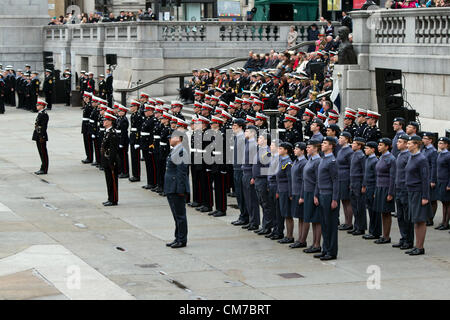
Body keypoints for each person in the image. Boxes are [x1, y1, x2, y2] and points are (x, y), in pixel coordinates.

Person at [405, 135, 432, 255]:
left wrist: (425, 196)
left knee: (420, 220)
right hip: (411, 191)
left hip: (418, 192)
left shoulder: (421, 159)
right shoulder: (411, 157)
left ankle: (420, 247)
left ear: (416, 144)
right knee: (415, 220)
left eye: (409, 143)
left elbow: (425, 179)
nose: (407, 145)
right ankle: (417, 245)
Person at [315, 137, 340, 261]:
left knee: (330, 224)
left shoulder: (332, 161)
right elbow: (318, 179)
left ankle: (331, 251)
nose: (322, 145)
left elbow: (335, 181)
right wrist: (316, 194)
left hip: (329, 195)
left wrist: (335, 199)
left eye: (325, 143)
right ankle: (325, 249)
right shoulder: (323, 159)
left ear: (331, 146)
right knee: (324, 224)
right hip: (321, 193)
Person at [165, 132, 190, 249]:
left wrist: (180, 189)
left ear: (179, 139)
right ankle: (177, 237)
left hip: (176, 188)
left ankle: (182, 239)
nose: (169, 139)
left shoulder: (181, 151)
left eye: (172, 137)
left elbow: (182, 173)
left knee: (180, 215)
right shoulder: (175, 149)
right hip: (171, 186)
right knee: (176, 215)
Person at [392, 134, 414, 250]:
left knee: (407, 216)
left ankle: (409, 240)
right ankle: (403, 237)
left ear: (406, 144)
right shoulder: (399, 155)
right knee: (400, 216)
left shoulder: (408, 156)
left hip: (405, 189)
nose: (397, 143)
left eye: (400, 142)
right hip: (398, 188)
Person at [373, 138, 396, 244]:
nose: (379, 146)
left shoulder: (391, 159)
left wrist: (390, 193)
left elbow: (392, 177)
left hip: (386, 187)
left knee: (386, 212)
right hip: (379, 187)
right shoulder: (381, 157)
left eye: (381, 145)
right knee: (382, 212)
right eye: (378, 144)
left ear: (387, 146)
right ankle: (384, 235)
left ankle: (386, 236)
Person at [301, 139, 322, 253]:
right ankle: (314, 243)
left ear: (315, 148)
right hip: (307, 191)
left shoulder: (317, 161)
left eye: (309, 147)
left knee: (316, 219)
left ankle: (317, 244)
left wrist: (316, 194)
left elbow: (318, 180)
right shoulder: (310, 159)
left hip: (313, 192)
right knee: (312, 218)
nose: (307, 149)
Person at [253, 132, 273, 235]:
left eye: (260, 138)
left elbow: (268, 170)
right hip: (258, 179)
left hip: (263, 180)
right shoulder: (260, 150)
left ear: (265, 140)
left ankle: (267, 226)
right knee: (262, 203)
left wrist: (267, 184)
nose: (258, 139)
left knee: (266, 204)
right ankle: (264, 225)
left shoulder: (267, 152)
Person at [231, 119, 249, 226]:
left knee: (242, 194)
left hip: (240, 169)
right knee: (239, 194)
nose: (233, 127)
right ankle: (243, 215)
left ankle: (244, 216)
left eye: (235, 125)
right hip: (236, 167)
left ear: (241, 127)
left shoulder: (242, 138)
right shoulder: (237, 137)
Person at [242, 125, 260, 230]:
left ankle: (255, 222)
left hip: (250, 173)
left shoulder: (253, 144)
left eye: (247, 131)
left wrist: (254, 176)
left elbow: (255, 162)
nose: (245, 132)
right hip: (245, 171)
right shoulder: (248, 143)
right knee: (248, 199)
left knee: (252, 199)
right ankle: (251, 220)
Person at [290, 142, 308, 248]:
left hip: (300, 192)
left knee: (303, 217)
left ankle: (303, 239)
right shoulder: (296, 161)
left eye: (297, 149)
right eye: (294, 149)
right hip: (295, 191)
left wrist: (302, 196)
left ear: (302, 151)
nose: (294, 150)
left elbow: (303, 181)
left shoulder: (303, 162)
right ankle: (300, 238)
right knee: (299, 217)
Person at [362, 141, 381, 240]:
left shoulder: (374, 161)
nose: (365, 150)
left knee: (374, 211)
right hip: (368, 186)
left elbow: (377, 177)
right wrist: (364, 185)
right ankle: (372, 230)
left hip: (373, 187)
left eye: (367, 148)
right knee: (370, 210)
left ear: (373, 150)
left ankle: (376, 232)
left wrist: (375, 191)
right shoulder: (367, 159)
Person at [337, 132, 354, 231]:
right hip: (340, 177)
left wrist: (350, 182)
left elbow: (352, 167)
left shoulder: (349, 151)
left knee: (347, 201)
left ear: (346, 140)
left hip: (346, 177)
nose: (339, 139)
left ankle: (349, 222)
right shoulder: (341, 150)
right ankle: (346, 221)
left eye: (341, 138)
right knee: (343, 200)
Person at [276, 142, 293, 243]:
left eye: (281, 148)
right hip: (281, 189)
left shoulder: (288, 163)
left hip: (286, 189)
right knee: (284, 213)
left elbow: (290, 179)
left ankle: (289, 236)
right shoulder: (281, 160)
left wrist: (290, 193)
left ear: (286, 151)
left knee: (287, 214)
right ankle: (287, 235)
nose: (279, 150)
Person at [349, 137, 367, 236]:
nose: (352, 145)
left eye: (354, 143)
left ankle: (361, 227)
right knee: (354, 206)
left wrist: (364, 185)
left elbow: (364, 171)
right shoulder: (354, 155)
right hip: (353, 182)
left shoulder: (361, 156)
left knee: (360, 206)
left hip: (358, 182)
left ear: (359, 145)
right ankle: (356, 226)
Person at [101, 112, 119, 206]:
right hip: (106, 160)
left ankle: (114, 199)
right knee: (108, 181)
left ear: (110, 122)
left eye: (105, 120)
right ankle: (110, 198)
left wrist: (111, 162)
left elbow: (113, 150)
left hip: (111, 161)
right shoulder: (108, 132)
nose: (103, 122)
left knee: (112, 181)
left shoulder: (112, 134)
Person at [421, 132, 438, 226]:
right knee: (427, 198)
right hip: (424, 177)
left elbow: (434, 166)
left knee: (432, 199)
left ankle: (430, 218)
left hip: (429, 177)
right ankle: (427, 216)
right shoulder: (424, 150)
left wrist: (433, 180)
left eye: (425, 138)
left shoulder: (433, 151)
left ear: (430, 140)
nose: (423, 139)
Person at [435, 137, 450, 230]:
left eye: (441, 143)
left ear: (446, 145)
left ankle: (446, 223)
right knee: (443, 203)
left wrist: (449, 184)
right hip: (440, 181)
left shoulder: (448, 155)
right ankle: (443, 221)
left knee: (448, 203)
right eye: (439, 143)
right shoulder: (440, 154)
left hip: (446, 181)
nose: (439, 145)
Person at [33, 99, 49, 175]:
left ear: (42, 106)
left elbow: (44, 127)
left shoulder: (44, 114)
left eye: (38, 105)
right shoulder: (40, 113)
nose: (37, 106)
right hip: (38, 135)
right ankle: (42, 167)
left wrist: (42, 136)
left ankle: (44, 169)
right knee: (41, 152)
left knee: (43, 153)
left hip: (41, 136)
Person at [128, 100, 143, 182]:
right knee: (133, 158)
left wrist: (137, 142)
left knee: (136, 158)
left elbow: (139, 130)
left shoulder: (138, 116)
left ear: (136, 107)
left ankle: (137, 175)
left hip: (136, 138)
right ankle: (134, 174)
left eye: (132, 106)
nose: (130, 107)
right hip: (133, 137)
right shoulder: (133, 115)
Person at [116, 104, 130, 179]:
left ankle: (125, 172)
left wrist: (121, 143)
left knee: (124, 157)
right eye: (119, 111)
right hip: (119, 140)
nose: (119, 112)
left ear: (124, 112)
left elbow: (124, 133)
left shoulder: (124, 120)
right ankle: (121, 171)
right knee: (120, 157)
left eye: (120, 111)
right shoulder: (119, 119)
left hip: (123, 141)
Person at [81, 92, 94, 164]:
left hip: (87, 125)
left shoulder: (89, 106)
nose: (84, 98)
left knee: (88, 142)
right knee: (86, 142)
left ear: (88, 98)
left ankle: (90, 157)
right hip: (85, 125)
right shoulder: (87, 105)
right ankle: (88, 156)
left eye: (85, 97)